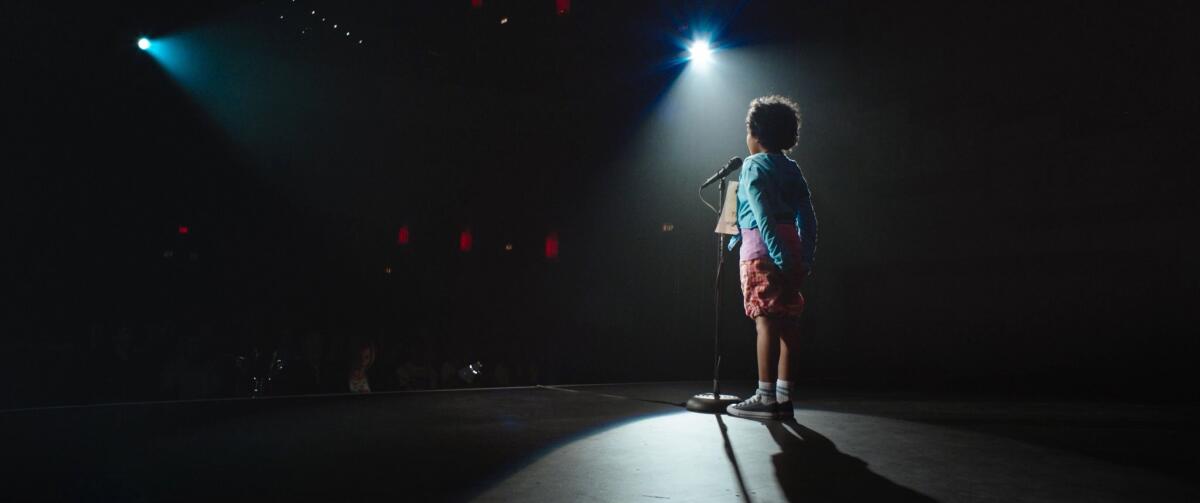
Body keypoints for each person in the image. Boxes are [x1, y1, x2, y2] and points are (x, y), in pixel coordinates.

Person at [725, 96, 818, 420]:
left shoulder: (752, 165)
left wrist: (775, 255)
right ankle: (783, 398)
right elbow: (807, 216)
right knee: (789, 326)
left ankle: (764, 397)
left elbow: (762, 214)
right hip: (790, 250)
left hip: (762, 254)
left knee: (765, 323)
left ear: (756, 134)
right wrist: (802, 256)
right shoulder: (791, 168)